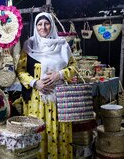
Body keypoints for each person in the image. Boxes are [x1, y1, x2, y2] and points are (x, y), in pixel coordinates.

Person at [17, 12, 77, 159]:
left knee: (59, 133)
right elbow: (20, 70)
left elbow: (74, 67)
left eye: (46, 23)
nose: (43, 27)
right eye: (39, 24)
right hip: (36, 102)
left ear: (52, 25)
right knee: (39, 133)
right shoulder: (29, 45)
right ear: (35, 27)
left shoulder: (62, 45)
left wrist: (60, 74)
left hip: (59, 101)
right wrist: (34, 82)